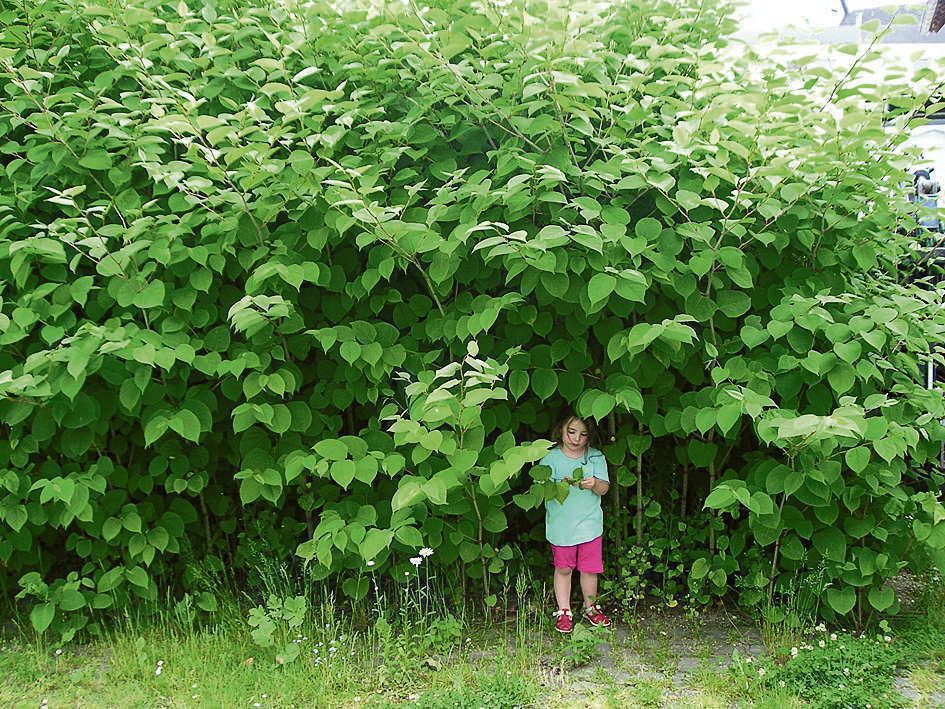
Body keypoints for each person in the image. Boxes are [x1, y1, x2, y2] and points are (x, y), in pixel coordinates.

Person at [540, 412, 612, 634]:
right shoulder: (549, 458)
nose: (576, 438)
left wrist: (595, 483)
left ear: (589, 437)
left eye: (583, 434)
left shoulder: (595, 457)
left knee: (590, 570)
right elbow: (541, 489)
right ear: (561, 430)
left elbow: (605, 488)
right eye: (571, 432)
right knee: (563, 569)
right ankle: (564, 611)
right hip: (561, 527)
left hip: (589, 526)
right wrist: (554, 485)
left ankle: (591, 608)